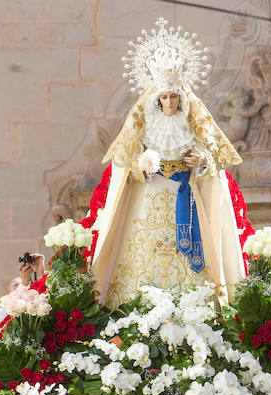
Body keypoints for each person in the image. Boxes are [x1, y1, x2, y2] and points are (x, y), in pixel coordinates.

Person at [91, 18, 247, 309]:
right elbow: (124, 158)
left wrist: (202, 161)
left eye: (174, 96)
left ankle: (196, 309)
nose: (170, 102)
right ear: (157, 98)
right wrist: (142, 165)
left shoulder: (193, 119)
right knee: (142, 253)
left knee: (187, 264)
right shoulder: (143, 119)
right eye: (164, 96)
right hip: (148, 197)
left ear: (181, 97)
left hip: (186, 194)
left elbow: (214, 154)